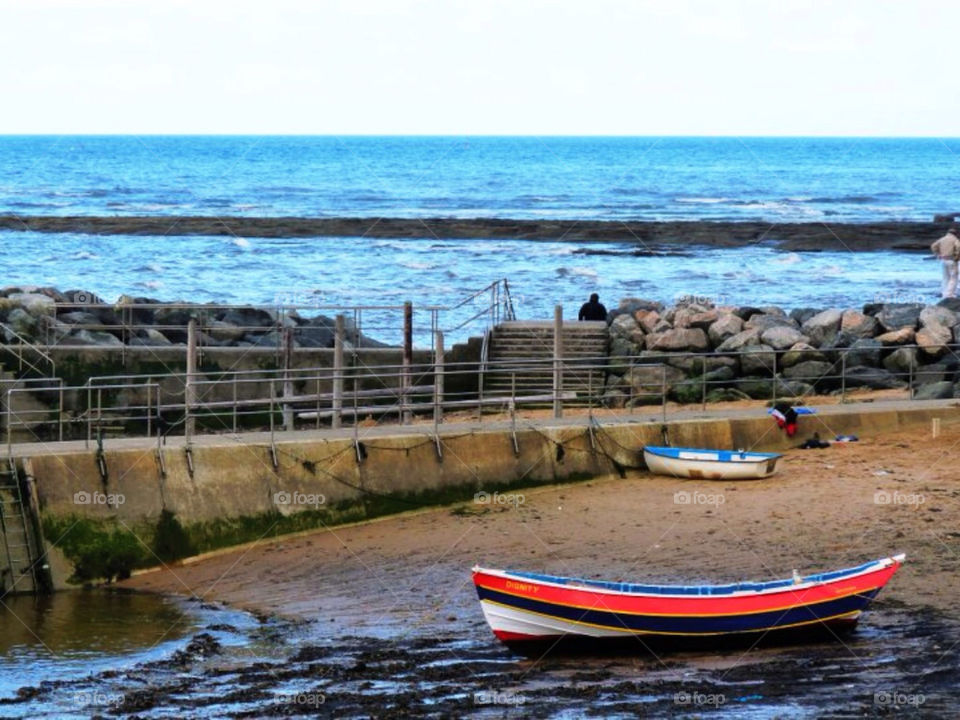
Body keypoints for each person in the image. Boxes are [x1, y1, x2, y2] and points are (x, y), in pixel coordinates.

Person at [931, 226, 960, 299]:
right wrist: (957, 257)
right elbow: (958, 248)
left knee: (945, 277)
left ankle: (944, 293)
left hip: (943, 260)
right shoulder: (955, 239)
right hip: (951, 260)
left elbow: (933, 246)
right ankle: (950, 294)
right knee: (953, 278)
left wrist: (937, 254)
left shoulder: (942, 239)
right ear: (956, 234)